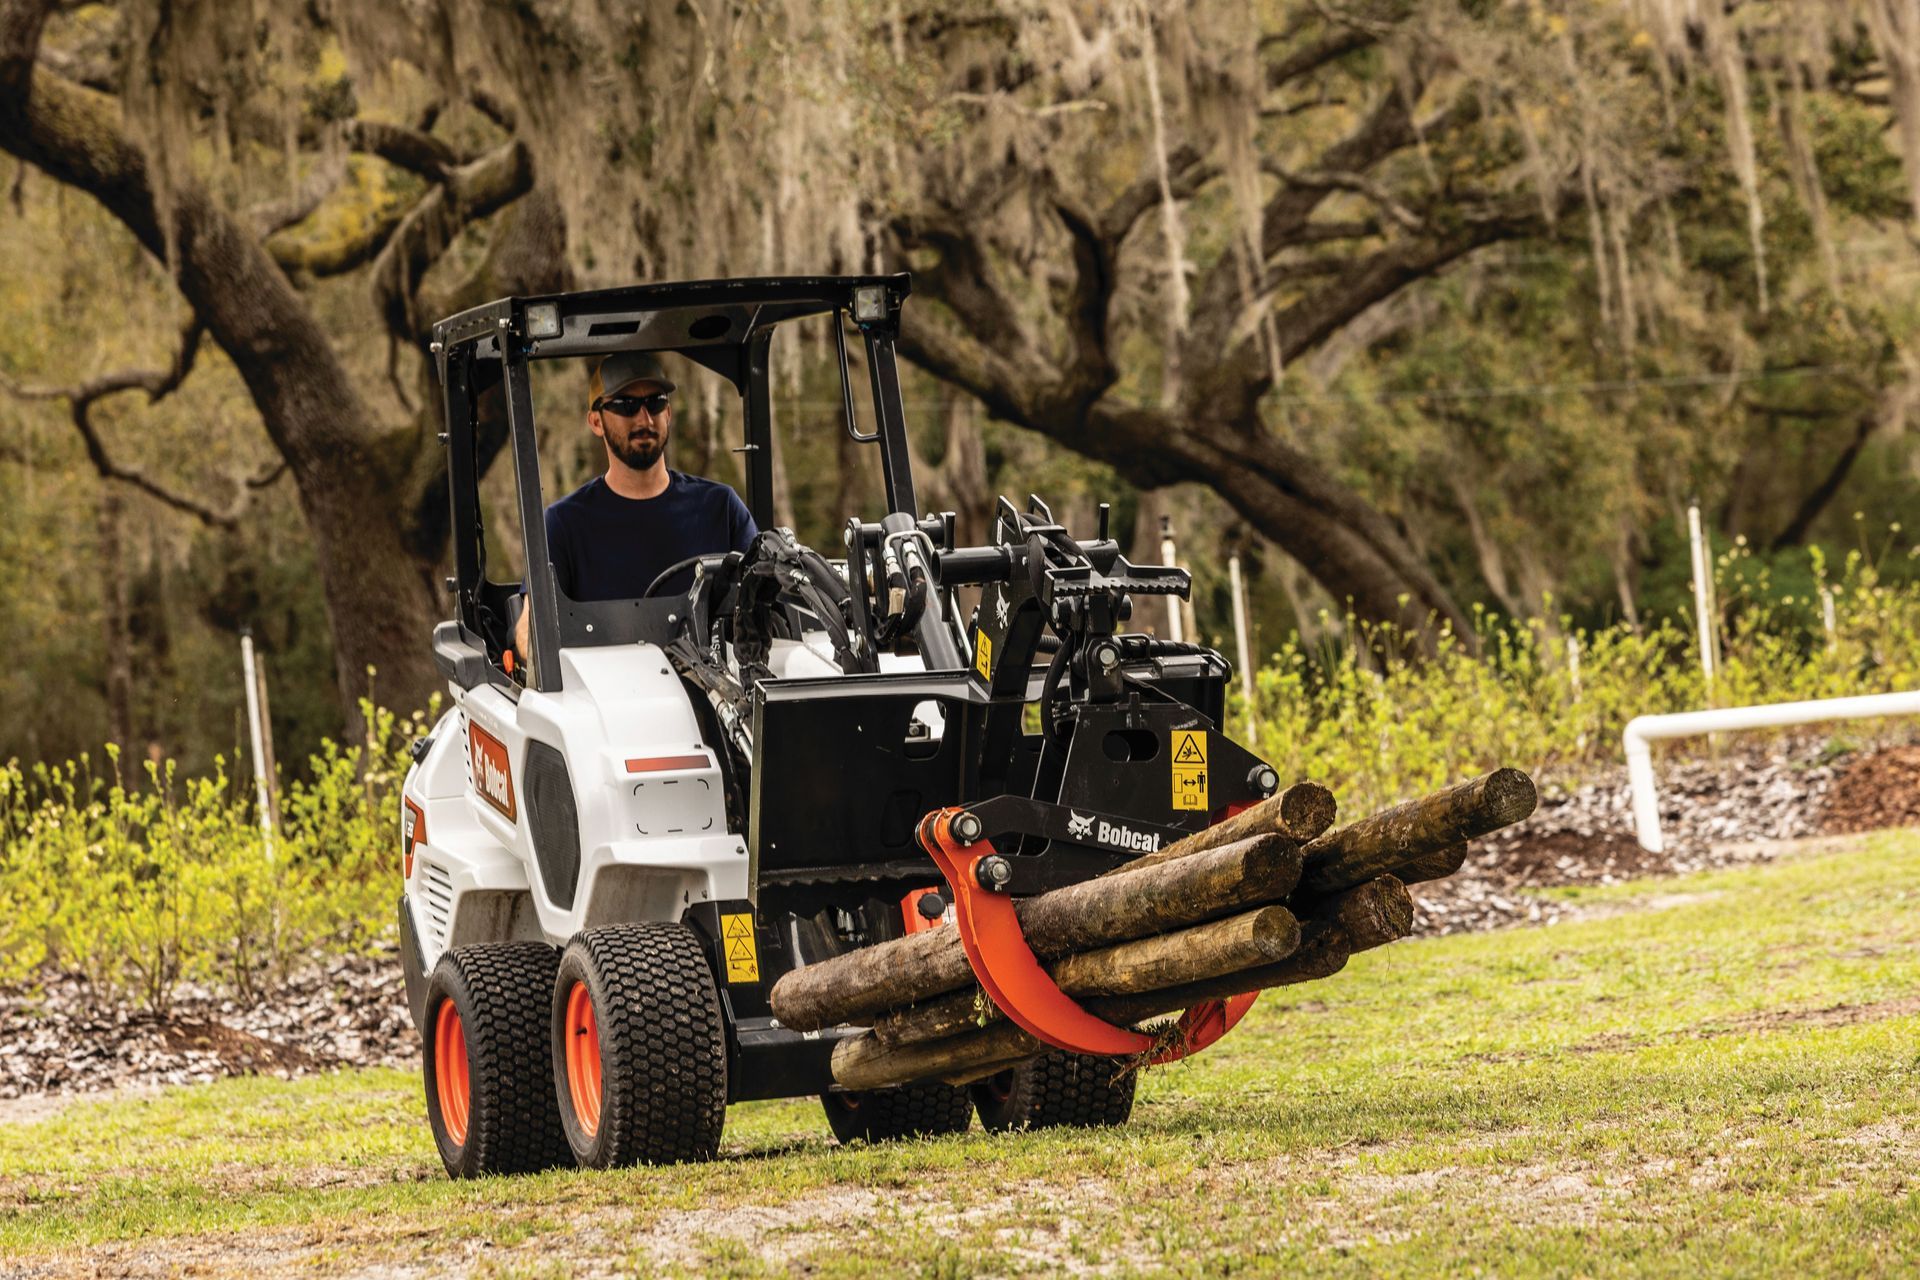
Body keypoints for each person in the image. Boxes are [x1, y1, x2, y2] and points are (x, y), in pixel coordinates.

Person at [515, 351, 757, 662]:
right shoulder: (563, 524)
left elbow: (765, 604)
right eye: (626, 406)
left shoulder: (721, 507)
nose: (644, 419)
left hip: (716, 697)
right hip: (606, 700)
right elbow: (530, 627)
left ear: (668, 413)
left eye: (655, 403)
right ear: (596, 421)